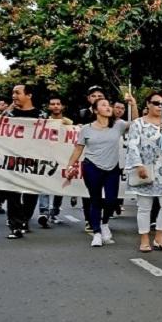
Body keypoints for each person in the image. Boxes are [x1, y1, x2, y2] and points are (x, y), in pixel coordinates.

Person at [66, 95, 138, 247]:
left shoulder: (118, 125)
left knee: (111, 200)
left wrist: (134, 104)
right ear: (95, 110)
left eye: (109, 105)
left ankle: (105, 224)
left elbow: (136, 124)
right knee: (95, 200)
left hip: (112, 168)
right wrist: (70, 166)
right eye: (104, 105)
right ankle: (97, 232)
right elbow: (78, 149)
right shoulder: (86, 129)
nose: (108, 107)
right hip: (92, 167)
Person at [126, 92, 162, 252]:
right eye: (156, 103)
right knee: (144, 207)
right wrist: (138, 165)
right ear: (147, 104)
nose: (160, 106)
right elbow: (132, 145)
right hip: (145, 170)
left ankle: (159, 237)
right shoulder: (138, 123)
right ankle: (144, 239)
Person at [1, 85, 48, 239]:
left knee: (31, 192)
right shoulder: (9, 114)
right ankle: (15, 225)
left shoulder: (41, 116)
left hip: (33, 161)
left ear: (29, 95)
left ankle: (24, 219)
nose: (13, 95)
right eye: (13, 92)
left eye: (17, 93)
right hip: (13, 159)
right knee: (13, 193)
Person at [38, 95, 75, 226]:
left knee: (60, 187)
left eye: (58, 104)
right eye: (52, 104)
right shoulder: (44, 122)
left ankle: (54, 212)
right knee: (45, 184)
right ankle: (44, 212)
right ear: (49, 107)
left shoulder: (69, 123)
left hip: (63, 159)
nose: (55, 106)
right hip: (47, 158)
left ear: (62, 106)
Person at [76, 85, 107, 233]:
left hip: (107, 158)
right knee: (89, 192)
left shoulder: (109, 114)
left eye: (100, 96)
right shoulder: (82, 114)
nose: (97, 99)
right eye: (94, 96)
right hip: (88, 159)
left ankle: (102, 219)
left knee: (106, 193)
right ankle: (90, 220)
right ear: (89, 99)